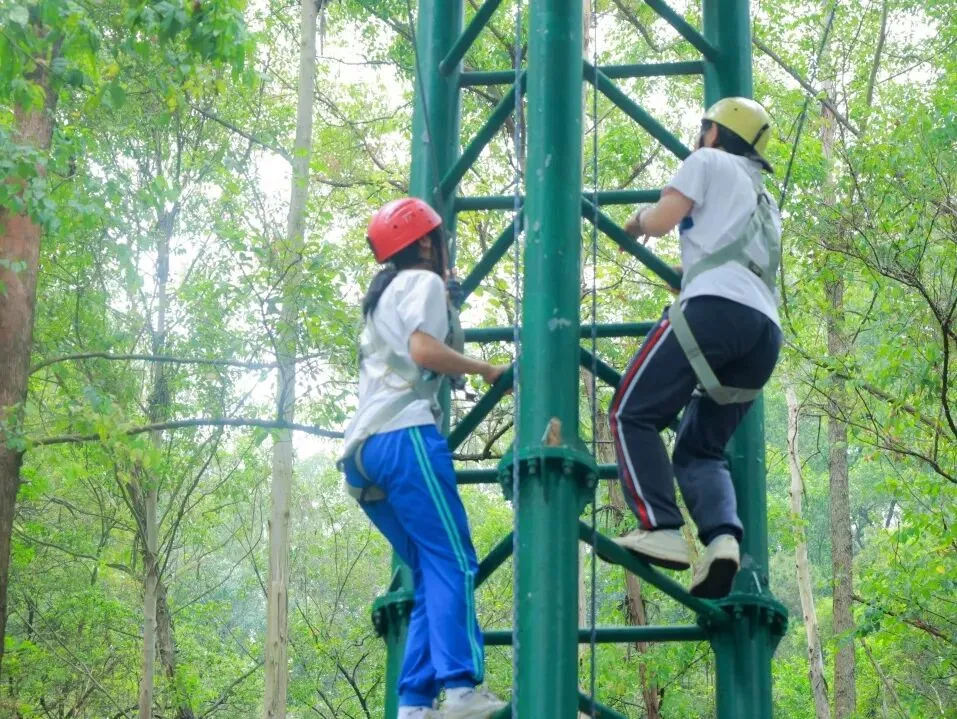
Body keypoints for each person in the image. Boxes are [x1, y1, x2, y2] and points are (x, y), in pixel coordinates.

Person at [341, 198, 509, 719]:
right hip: (403, 435)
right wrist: (485, 369)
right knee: (454, 559)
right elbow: (423, 351)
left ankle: (414, 704)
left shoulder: (384, 295)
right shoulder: (422, 283)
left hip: (362, 455)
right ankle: (460, 690)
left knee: (429, 566)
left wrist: (449, 312)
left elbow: (419, 347)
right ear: (426, 243)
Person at [609, 97, 783, 599]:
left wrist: (635, 222)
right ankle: (722, 540)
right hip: (763, 333)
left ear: (714, 133)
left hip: (713, 311)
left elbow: (663, 219)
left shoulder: (706, 161)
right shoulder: (765, 200)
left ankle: (660, 526)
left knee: (630, 413)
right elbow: (733, 255)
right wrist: (689, 273)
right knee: (701, 449)